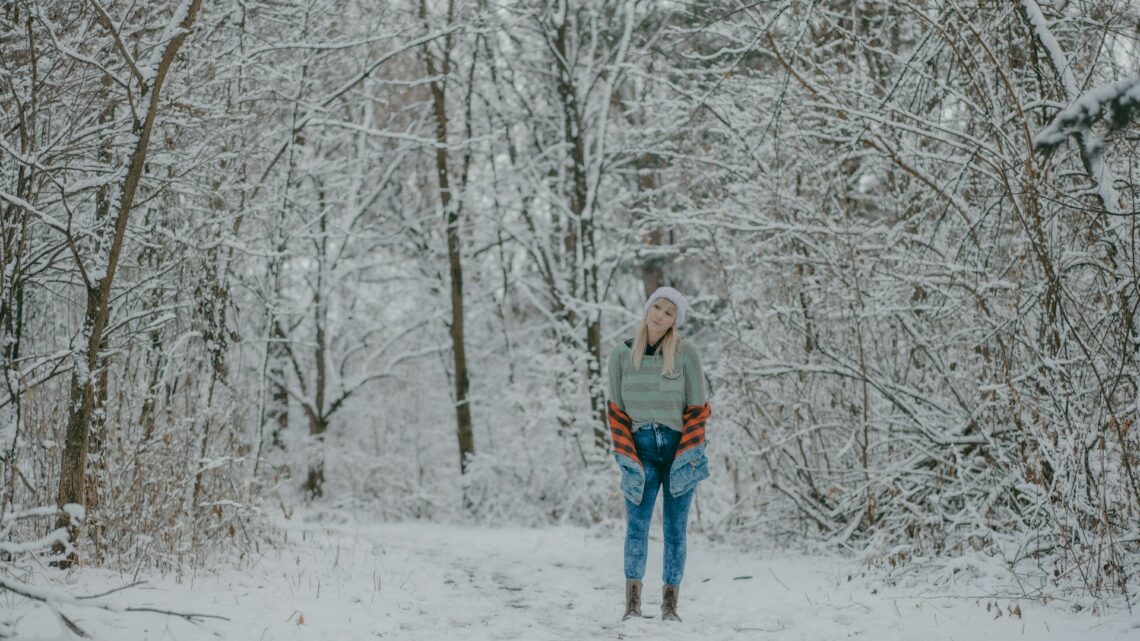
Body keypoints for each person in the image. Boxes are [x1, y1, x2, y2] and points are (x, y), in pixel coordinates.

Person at [607, 286, 710, 622]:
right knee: (636, 528)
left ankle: (670, 605)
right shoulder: (621, 356)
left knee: (675, 530)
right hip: (641, 452)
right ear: (648, 308)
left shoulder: (686, 352)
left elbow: (697, 408)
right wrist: (626, 457)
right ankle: (633, 604)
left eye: (670, 312)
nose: (661, 315)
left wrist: (690, 453)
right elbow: (616, 412)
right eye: (658, 307)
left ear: (674, 321)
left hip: (679, 451)